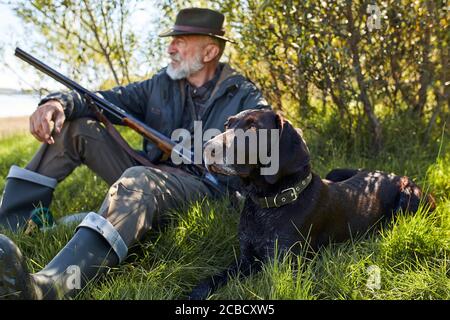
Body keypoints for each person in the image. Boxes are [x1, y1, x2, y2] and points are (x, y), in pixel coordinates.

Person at [0, 7, 269, 299]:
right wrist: (58, 103)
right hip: (151, 171)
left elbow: (268, 136)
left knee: (139, 180)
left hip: (205, 189)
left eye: (180, 40)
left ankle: (51, 287)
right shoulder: (161, 84)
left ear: (209, 52)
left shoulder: (244, 94)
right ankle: (10, 229)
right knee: (76, 128)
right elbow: (102, 100)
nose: (170, 48)